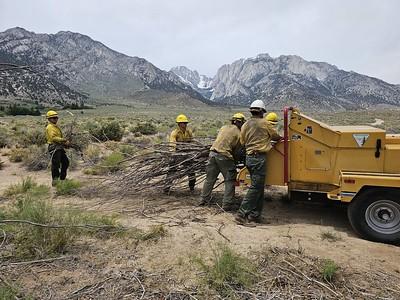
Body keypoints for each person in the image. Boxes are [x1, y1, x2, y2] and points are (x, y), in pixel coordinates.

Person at [235, 100, 281, 225]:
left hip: (249, 158)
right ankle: (241, 214)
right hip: (259, 159)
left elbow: (242, 142)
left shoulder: (245, 125)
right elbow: (276, 136)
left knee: (259, 187)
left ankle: (255, 216)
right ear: (262, 111)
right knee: (256, 187)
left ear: (252, 111)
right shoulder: (265, 123)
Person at [199, 113, 246, 210]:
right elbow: (237, 151)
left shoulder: (223, 127)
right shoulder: (239, 133)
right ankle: (227, 204)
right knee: (230, 180)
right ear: (241, 123)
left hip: (212, 154)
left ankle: (203, 199)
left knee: (209, 179)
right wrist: (235, 162)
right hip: (224, 156)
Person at [164, 114, 195, 192]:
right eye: (183, 123)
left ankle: (192, 187)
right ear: (179, 124)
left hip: (187, 154)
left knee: (191, 171)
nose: (185, 124)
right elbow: (172, 144)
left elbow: (192, 141)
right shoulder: (175, 133)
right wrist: (173, 153)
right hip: (177, 154)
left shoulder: (189, 131)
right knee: (172, 171)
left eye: (185, 123)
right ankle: (166, 188)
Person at [45, 110, 70, 186]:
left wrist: (64, 143)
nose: (55, 119)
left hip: (59, 147)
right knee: (56, 165)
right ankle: (55, 182)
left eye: (56, 117)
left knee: (65, 162)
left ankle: (62, 179)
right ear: (49, 119)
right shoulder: (50, 127)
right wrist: (64, 140)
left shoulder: (55, 127)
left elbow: (58, 137)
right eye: (53, 118)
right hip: (54, 147)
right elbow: (54, 138)